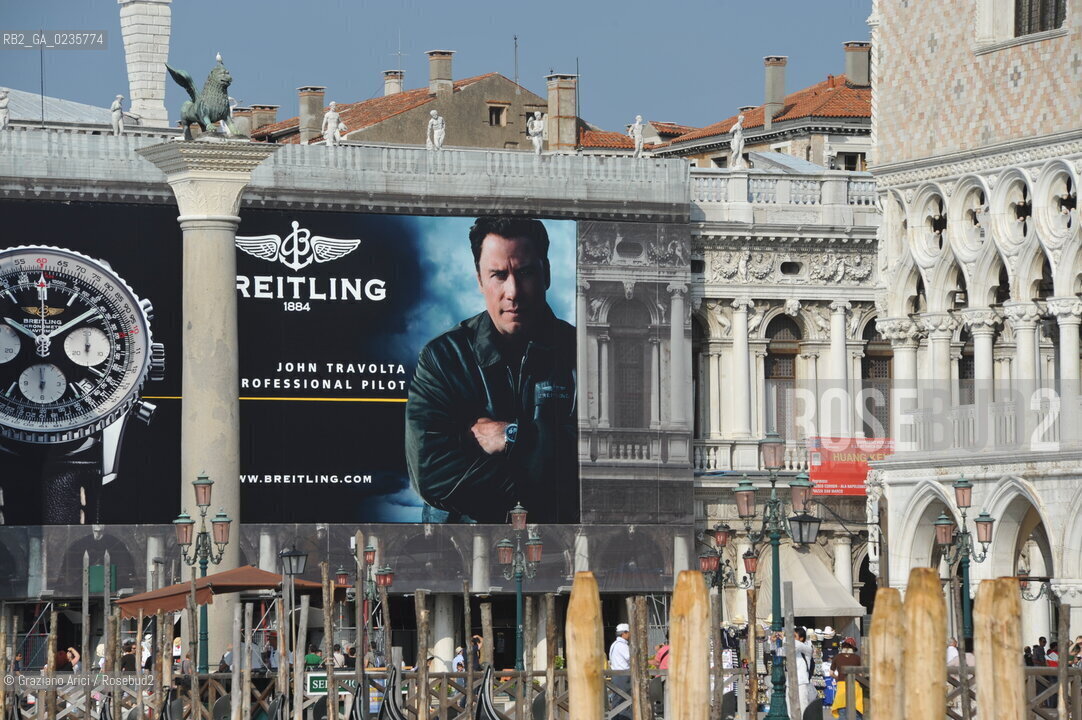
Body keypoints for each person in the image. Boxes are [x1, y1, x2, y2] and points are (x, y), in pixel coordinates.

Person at [405, 216, 579, 524]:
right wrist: (541, 461)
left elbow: (596, 469)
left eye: (525, 273)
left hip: (558, 549)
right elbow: (431, 475)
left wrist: (512, 436)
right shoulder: (443, 358)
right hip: (459, 554)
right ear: (479, 279)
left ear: (547, 274)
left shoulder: (583, 354)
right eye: (498, 275)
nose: (513, 291)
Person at [831, 638, 863, 720]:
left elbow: (831, 673)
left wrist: (838, 678)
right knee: (856, 713)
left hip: (842, 687)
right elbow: (860, 674)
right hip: (854, 686)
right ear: (853, 648)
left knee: (842, 712)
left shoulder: (837, 657)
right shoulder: (857, 658)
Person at [608, 624, 632, 720]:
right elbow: (631, 658)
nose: (630, 634)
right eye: (629, 632)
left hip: (617, 676)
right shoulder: (622, 646)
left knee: (618, 700)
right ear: (624, 633)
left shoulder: (614, 644)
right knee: (624, 700)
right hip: (623, 676)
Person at [792, 627, 815, 716]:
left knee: (803, 706)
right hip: (790, 683)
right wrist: (774, 642)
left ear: (801, 638)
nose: (792, 638)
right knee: (791, 708)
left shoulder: (807, 648)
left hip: (801, 682)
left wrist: (786, 637)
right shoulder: (791, 649)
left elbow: (798, 645)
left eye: (794, 636)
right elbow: (777, 652)